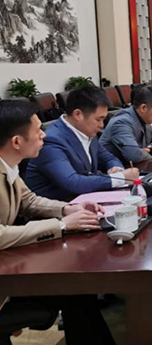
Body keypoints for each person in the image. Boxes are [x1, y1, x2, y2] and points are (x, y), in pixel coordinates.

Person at [0, 99, 116, 345]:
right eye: (37, 130)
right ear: (17, 141)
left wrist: (67, 209)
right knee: (71, 290)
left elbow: (28, 200)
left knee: (76, 290)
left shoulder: (8, 165)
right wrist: (62, 225)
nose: (44, 134)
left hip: (8, 265)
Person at [25, 86, 140, 201]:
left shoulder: (86, 131)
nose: (102, 125)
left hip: (85, 201)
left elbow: (108, 158)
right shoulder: (51, 140)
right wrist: (120, 178)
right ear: (78, 115)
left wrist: (116, 168)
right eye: (98, 119)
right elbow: (72, 182)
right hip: (58, 206)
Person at [100, 86, 152, 165]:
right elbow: (134, 156)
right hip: (114, 170)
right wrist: (151, 157)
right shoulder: (122, 122)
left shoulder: (143, 119)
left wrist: (149, 148)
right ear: (143, 108)